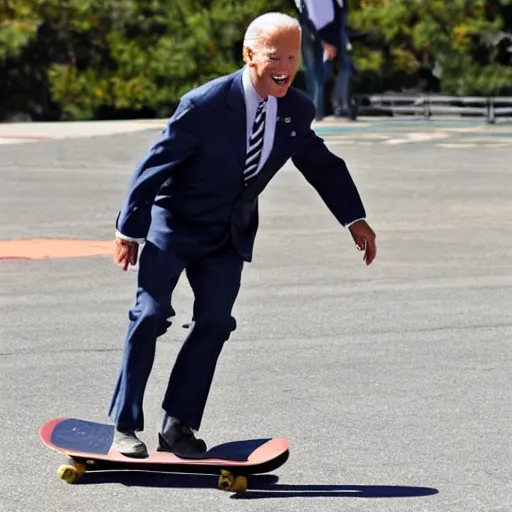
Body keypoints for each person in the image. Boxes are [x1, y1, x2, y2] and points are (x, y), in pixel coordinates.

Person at [109, 11, 376, 458]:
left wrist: (354, 218)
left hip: (227, 234)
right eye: (276, 56)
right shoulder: (205, 103)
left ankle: (178, 425)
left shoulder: (295, 108)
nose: (286, 66)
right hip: (173, 225)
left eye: (293, 56)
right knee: (151, 314)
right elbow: (153, 165)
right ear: (250, 55)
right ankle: (124, 427)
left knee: (215, 322)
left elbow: (320, 164)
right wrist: (129, 230)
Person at [294, 0, 339, 120]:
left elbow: (320, 16)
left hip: (313, 30)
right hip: (310, 29)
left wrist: (323, 40)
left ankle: (315, 111)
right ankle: (315, 110)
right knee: (313, 73)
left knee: (314, 74)